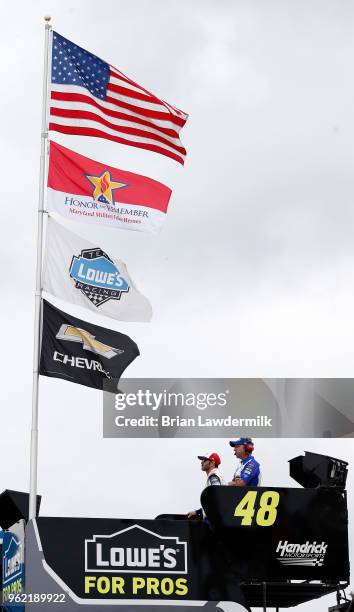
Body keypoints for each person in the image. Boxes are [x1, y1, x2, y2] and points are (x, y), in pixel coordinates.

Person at [187, 452, 225, 519]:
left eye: (204, 460)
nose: (201, 462)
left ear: (212, 463)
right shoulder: (214, 475)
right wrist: (197, 512)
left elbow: (217, 498)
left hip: (214, 519)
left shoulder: (213, 476)